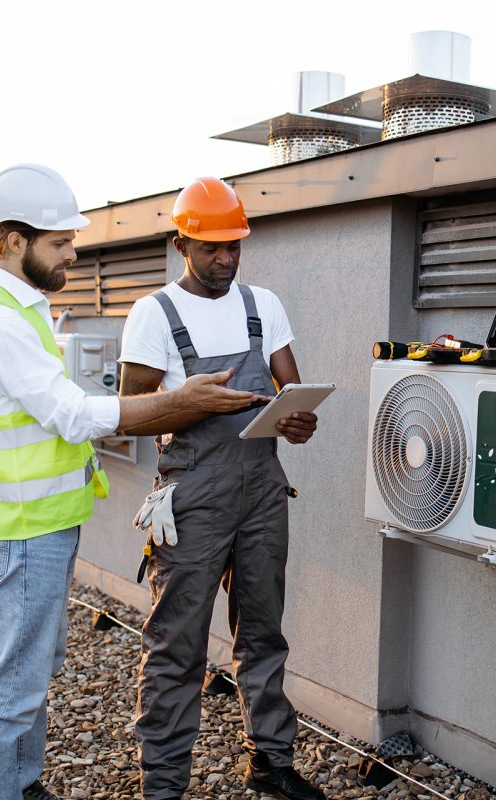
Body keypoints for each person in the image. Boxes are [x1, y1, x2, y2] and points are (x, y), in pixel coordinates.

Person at [0, 164, 263, 800]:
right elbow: (71, 415)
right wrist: (180, 403)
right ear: (14, 240)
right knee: (10, 690)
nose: (73, 253)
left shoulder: (20, 311)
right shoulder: (0, 322)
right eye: (61, 242)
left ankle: (21, 785)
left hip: (40, 524)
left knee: (32, 673)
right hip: (22, 529)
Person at [118, 177, 322, 800]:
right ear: (182, 244)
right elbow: (129, 414)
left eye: (234, 246)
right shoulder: (155, 314)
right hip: (192, 498)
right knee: (177, 642)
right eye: (212, 248)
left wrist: (299, 422)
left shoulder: (263, 305)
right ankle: (163, 785)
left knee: (262, 630)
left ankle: (270, 761)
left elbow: (292, 397)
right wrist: (194, 403)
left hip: (262, 492)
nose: (227, 259)